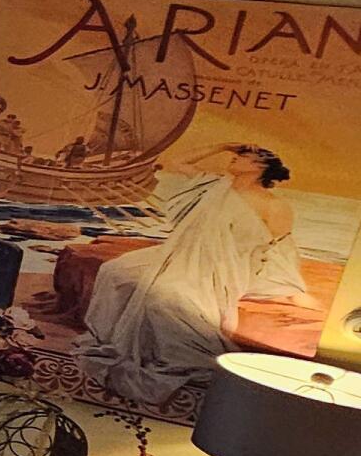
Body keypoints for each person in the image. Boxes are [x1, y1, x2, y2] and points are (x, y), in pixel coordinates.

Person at [79, 144, 319, 404]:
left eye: (242, 157)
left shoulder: (274, 205)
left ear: (259, 167)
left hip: (223, 264)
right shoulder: (214, 185)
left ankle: (178, 356)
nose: (234, 159)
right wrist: (221, 146)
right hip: (181, 251)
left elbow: (280, 247)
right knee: (114, 271)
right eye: (235, 155)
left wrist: (293, 290)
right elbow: (178, 162)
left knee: (163, 300)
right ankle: (106, 338)